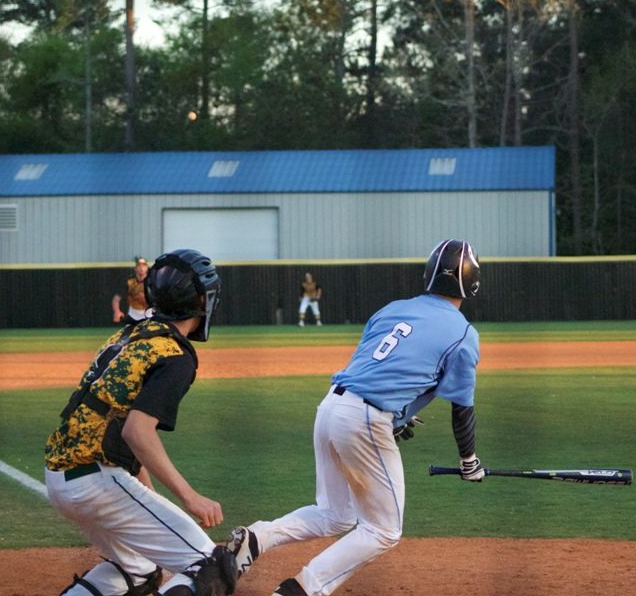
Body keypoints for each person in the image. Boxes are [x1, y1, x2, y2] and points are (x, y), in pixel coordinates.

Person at [226, 239, 486, 596]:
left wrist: (397, 417)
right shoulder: (463, 334)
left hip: (331, 406)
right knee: (383, 530)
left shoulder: (393, 308)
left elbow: (373, 366)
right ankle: (302, 589)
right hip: (365, 420)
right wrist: (469, 461)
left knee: (337, 515)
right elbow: (462, 408)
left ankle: (257, 538)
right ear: (472, 282)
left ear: (428, 275)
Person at [45, 249, 237, 596]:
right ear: (202, 302)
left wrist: (147, 496)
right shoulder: (175, 354)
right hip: (97, 482)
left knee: (138, 570)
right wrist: (189, 498)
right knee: (213, 568)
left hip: (62, 478)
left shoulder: (131, 335)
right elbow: (136, 431)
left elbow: (116, 422)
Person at [112, 256, 151, 324]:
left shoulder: (152, 281)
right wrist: (117, 311)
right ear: (135, 268)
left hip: (149, 315)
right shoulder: (129, 282)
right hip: (133, 315)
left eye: (144, 265)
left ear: (147, 268)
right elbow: (116, 299)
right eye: (139, 266)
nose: (141, 268)